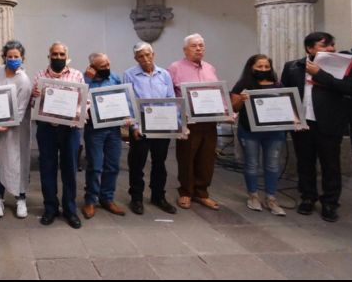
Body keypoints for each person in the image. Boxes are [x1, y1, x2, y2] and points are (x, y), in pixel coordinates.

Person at [281, 32, 352, 222]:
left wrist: (320, 75)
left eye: (332, 45)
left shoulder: (344, 65)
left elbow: (350, 89)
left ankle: (330, 202)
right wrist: (291, 116)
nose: (331, 49)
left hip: (329, 122)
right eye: (324, 45)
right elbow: (286, 93)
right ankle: (308, 197)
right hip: (303, 123)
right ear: (310, 48)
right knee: (305, 163)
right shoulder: (293, 67)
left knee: (330, 165)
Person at [32, 42, 85, 229]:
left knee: (70, 169)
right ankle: (50, 208)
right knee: (47, 168)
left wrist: (76, 118)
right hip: (46, 129)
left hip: (70, 130)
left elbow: (83, 102)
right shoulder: (39, 76)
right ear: (49, 56)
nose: (58, 57)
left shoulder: (77, 75)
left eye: (62, 54)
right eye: (54, 54)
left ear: (67, 56)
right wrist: (34, 96)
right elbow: (33, 104)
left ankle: (70, 209)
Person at [123, 42, 178, 215]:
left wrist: (175, 125)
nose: (145, 59)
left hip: (162, 124)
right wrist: (134, 126)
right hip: (141, 126)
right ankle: (137, 198)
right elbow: (128, 102)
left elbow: (171, 99)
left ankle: (158, 196)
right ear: (135, 58)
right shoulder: (129, 74)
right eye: (141, 56)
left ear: (153, 54)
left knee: (159, 163)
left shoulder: (165, 74)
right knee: (137, 163)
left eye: (148, 55)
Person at [230, 54, 288, 216]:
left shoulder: (278, 85)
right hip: (250, 131)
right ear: (251, 68)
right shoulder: (243, 84)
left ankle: (271, 198)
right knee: (252, 164)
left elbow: (287, 106)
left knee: (272, 165)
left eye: (266, 67)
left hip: (274, 132)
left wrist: (295, 121)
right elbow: (234, 108)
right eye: (259, 67)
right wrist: (242, 99)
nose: (263, 70)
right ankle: (253, 196)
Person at [168, 34, 221, 210]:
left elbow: (217, 93)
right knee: (186, 156)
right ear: (185, 49)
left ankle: (202, 192)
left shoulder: (210, 68)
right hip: (188, 122)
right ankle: (185, 192)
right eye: (193, 46)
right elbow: (170, 96)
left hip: (209, 121)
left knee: (207, 157)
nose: (198, 48)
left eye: (201, 45)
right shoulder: (175, 68)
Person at [0, 40, 32, 219]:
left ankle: (20, 198)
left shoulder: (23, 80)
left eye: (16, 57)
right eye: (10, 56)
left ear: (22, 58)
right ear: (4, 57)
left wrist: (6, 126)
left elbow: (20, 110)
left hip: (16, 129)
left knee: (18, 161)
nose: (13, 59)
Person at [81, 52, 126, 219]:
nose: (107, 68)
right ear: (92, 67)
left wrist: (127, 114)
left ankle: (107, 198)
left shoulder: (114, 77)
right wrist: (87, 79)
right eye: (102, 67)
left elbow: (123, 97)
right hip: (94, 129)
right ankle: (90, 200)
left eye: (108, 64)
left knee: (112, 165)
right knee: (95, 166)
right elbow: (80, 97)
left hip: (113, 128)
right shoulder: (85, 80)